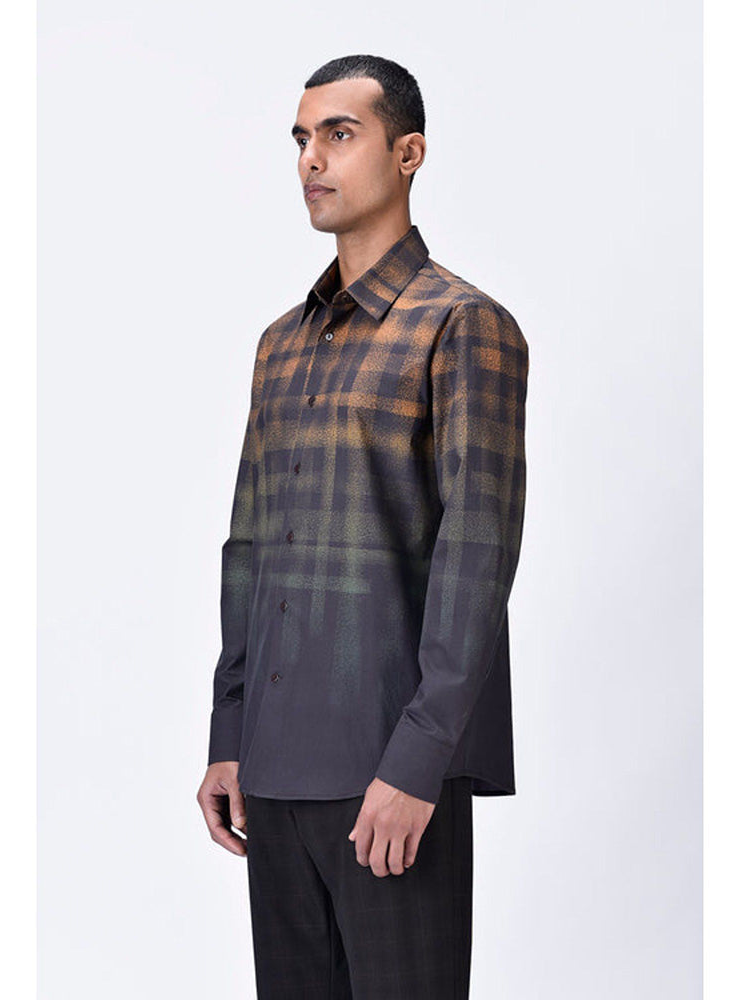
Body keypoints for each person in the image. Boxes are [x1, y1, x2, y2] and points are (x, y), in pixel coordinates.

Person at [196, 53, 529, 999]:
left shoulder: (463, 325)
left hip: (390, 771)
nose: (312, 158)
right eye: (302, 139)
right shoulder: (279, 344)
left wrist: (419, 763)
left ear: (408, 152)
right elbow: (248, 547)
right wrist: (230, 731)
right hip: (273, 770)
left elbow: (477, 557)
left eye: (339, 135)